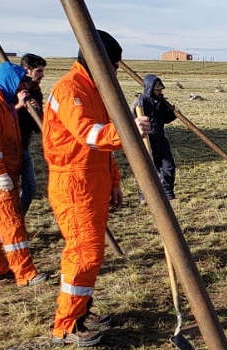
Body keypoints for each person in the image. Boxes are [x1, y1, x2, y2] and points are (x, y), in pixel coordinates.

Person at [43, 30, 151, 347]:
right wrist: (129, 129)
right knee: (84, 254)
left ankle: (81, 312)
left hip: (93, 182)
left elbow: (101, 147)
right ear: (96, 62)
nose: (116, 72)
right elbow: (89, 135)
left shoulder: (93, 89)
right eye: (113, 66)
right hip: (74, 185)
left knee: (88, 253)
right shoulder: (70, 90)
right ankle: (66, 325)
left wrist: (114, 183)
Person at [0, 61, 47, 287]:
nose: (22, 86)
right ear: (10, 81)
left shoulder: (4, 105)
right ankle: (25, 273)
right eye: (19, 82)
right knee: (11, 220)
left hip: (6, 171)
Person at [132, 75, 178, 201]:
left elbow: (166, 119)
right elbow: (132, 121)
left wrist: (173, 113)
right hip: (146, 139)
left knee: (168, 166)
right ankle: (145, 195)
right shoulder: (141, 102)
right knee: (147, 168)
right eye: (158, 90)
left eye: (161, 90)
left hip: (160, 139)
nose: (160, 92)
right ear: (150, 89)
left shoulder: (161, 102)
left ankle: (168, 194)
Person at [17, 53, 46, 216]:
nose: (42, 75)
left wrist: (36, 112)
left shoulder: (36, 92)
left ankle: (17, 220)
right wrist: (19, 106)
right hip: (9, 148)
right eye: (39, 71)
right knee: (9, 190)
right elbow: (1, 116)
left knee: (30, 188)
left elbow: (37, 127)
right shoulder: (12, 89)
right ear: (27, 70)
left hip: (24, 147)